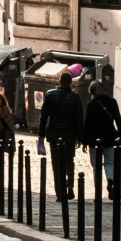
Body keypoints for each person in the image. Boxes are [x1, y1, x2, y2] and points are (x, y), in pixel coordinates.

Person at [36, 67, 87, 209]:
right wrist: (80, 138)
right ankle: (70, 185)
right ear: (71, 82)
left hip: (54, 133)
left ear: (59, 81)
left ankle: (60, 192)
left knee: (56, 163)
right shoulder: (75, 98)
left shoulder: (50, 95)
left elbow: (43, 117)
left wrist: (41, 134)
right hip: (69, 134)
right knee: (69, 160)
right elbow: (79, 119)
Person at [83, 72, 121, 196]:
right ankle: (110, 181)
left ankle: (98, 191)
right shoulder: (112, 102)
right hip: (109, 137)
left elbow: (87, 124)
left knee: (96, 166)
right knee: (109, 163)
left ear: (91, 92)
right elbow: (118, 120)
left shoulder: (91, 105)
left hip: (94, 140)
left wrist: (84, 141)